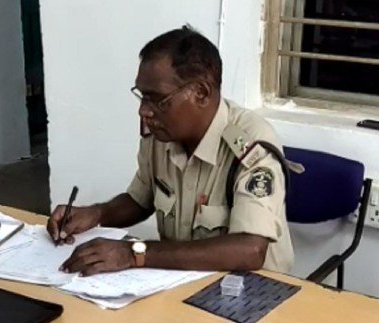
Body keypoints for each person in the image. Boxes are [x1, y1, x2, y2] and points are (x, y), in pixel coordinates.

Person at [47, 25, 294, 276]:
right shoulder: (161, 135)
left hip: (254, 289)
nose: (144, 111)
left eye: (157, 99)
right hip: (180, 280)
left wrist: (134, 253)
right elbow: (140, 200)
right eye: (142, 97)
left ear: (201, 93)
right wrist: (96, 213)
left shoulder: (250, 143)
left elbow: (250, 249)